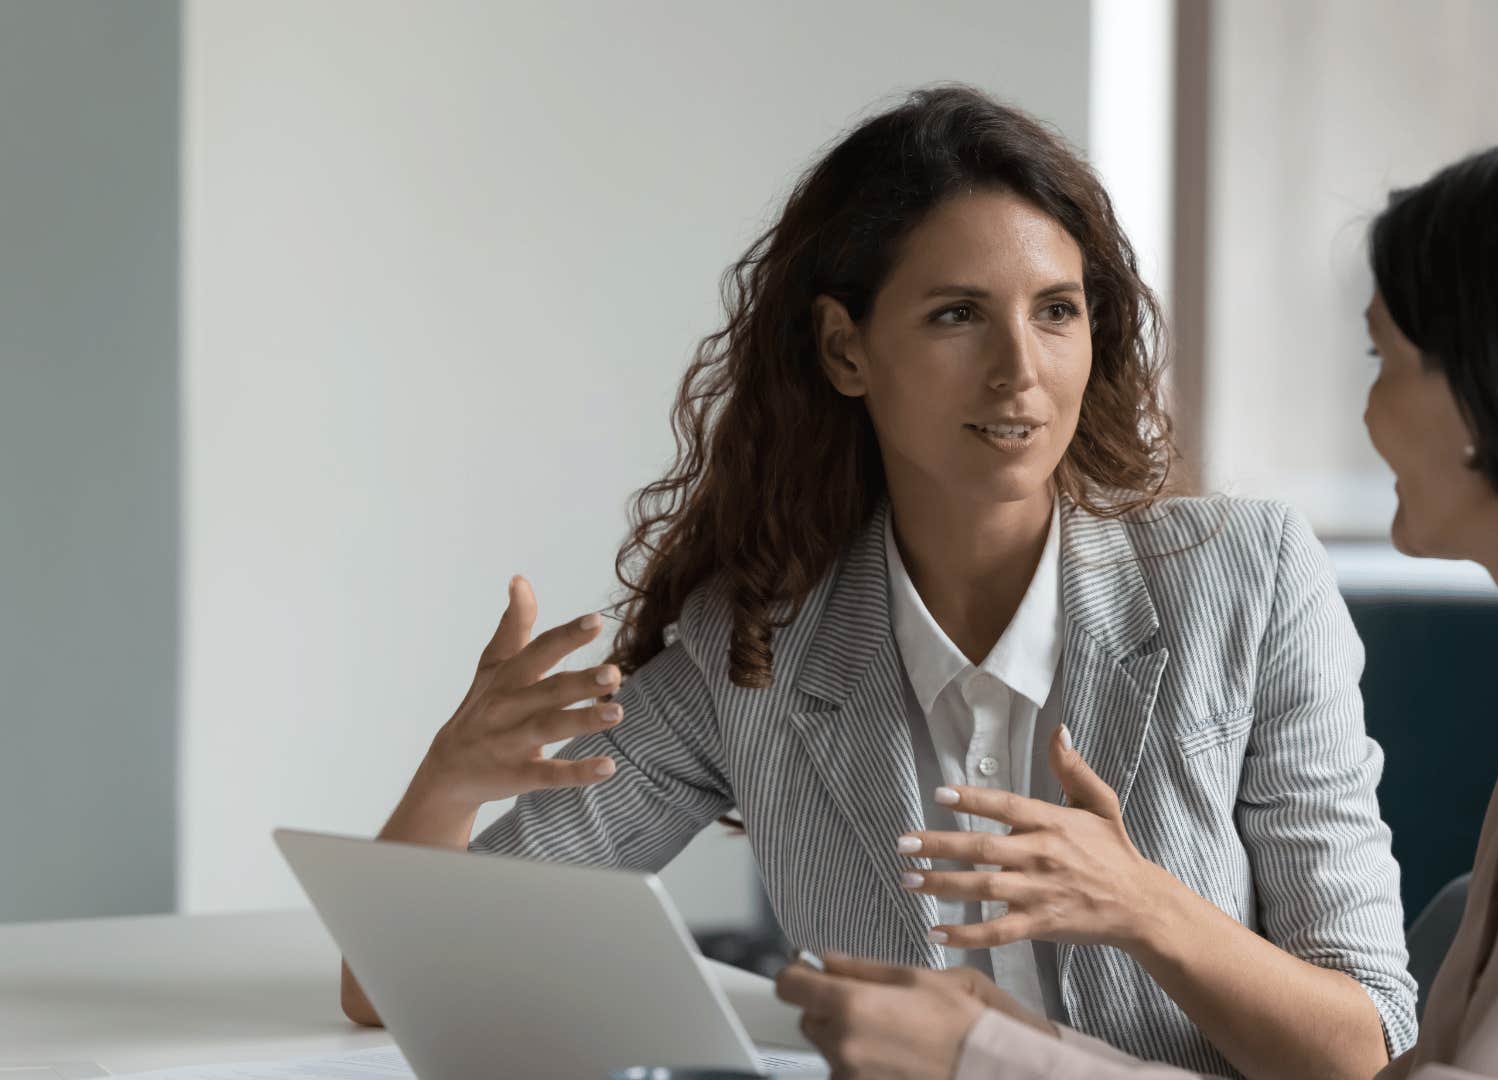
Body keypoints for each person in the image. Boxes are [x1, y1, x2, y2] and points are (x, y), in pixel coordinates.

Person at [774, 133, 1498, 1079]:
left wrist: (996, 1059)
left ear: (1488, 395)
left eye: (1384, 360)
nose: (1366, 417)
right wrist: (1024, 1043)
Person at [338, 84, 1417, 1077]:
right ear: (846, 351)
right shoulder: (752, 648)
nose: (1020, 371)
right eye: (956, 315)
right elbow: (394, 988)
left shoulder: (1247, 579)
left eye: (1056, 310)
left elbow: (1368, 1051)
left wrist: (1143, 906)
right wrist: (451, 779)